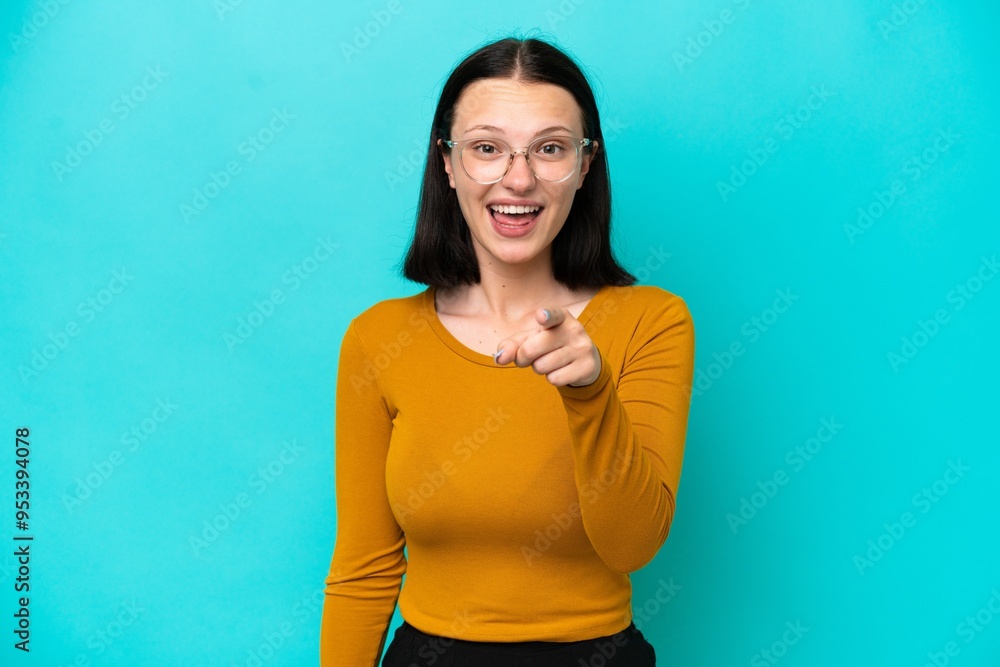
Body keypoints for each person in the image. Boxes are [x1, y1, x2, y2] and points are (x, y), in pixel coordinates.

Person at [320, 35, 694, 666]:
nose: (517, 179)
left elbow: (632, 545)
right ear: (446, 162)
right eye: (486, 148)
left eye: (550, 149)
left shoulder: (651, 322)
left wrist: (590, 394)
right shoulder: (378, 339)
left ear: (585, 165)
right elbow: (364, 569)